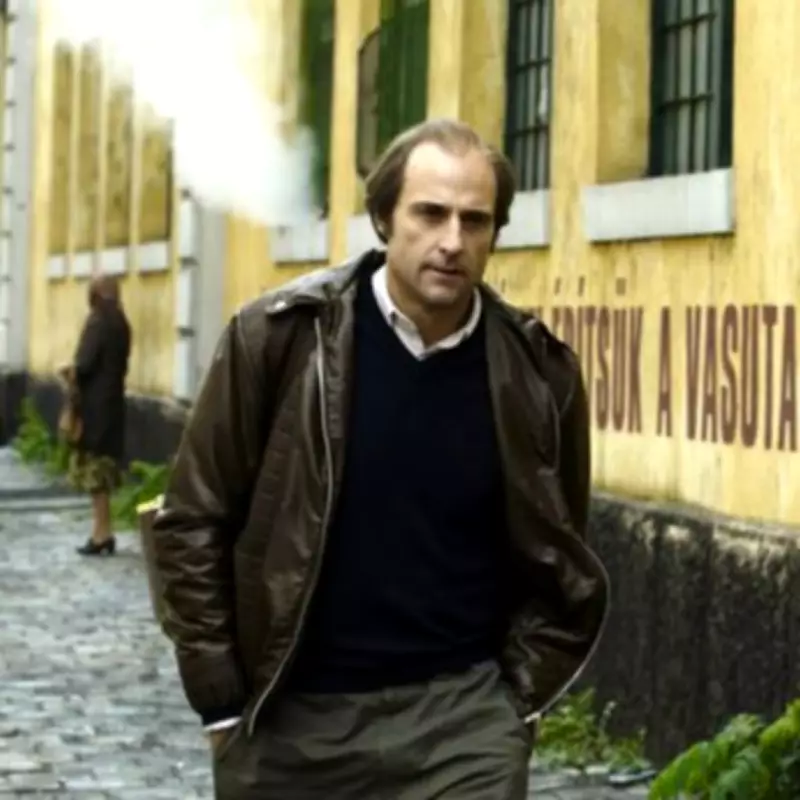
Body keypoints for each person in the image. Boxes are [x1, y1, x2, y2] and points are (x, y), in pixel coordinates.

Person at [152, 118, 610, 799]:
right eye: (430, 213)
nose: (452, 241)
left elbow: (560, 545)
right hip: (293, 720)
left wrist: (515, 705)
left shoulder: (538, 372)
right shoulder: (279, 339)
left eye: (475, 221)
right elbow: (193, 518)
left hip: (462, 726)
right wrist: (220, 700)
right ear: (383, 219)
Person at [66, 274, 131, 556]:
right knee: (104, 473)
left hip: (95, 409)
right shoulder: (122, 322)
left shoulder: (98, 322)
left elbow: (84, 364)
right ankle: (103, 532)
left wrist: (70, 373)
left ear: (96, 294)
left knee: (96, 477)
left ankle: (101, 533)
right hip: (113, 405)